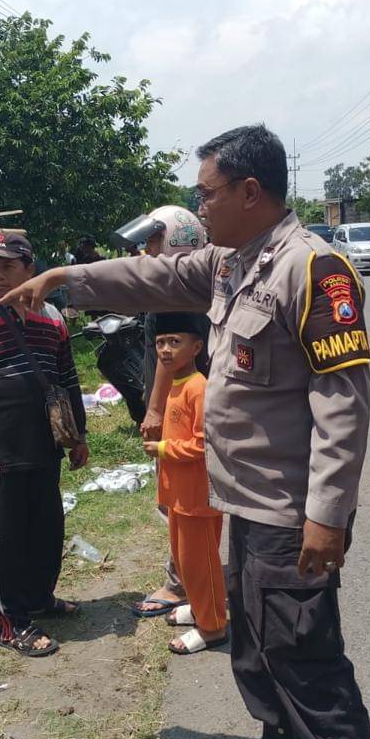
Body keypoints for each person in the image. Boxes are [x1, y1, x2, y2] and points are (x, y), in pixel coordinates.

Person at [1, 125, 370, 739]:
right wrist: (65, 279)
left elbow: (343, 403)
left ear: (249, 191)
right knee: (255, 641)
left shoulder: (313, 269)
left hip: (289, 508)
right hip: (241, 499)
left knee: (302, 651)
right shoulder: (229, 262)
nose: (198, 207)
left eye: (206, 194)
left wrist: (327, 515)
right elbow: (147, 277)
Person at [0, 233, 89, 658]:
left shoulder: (53, 318)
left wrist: (77, 435)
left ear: (30, 269)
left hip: (44, 445)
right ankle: (11, 622)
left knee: (45, 529)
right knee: (4, 537)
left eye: (6, 266)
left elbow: (67, 379)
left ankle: (40, 597)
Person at [115, 206, 211, 619]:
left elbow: (171, 364)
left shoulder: (180, 291)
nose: (145, 250)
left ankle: (183, 585)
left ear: (175, 240)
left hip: (183, 405)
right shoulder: (182, 282)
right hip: (182, 401)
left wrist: (153, 410)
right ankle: (193, 579)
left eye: (153, 242)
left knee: (182, 501)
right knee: (177, 500)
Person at [140, 313, 227, 655]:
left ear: (196, 347)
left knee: (201, 563)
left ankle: (214, 627)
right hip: (177, 495)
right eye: (160, 343)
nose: (165, 350)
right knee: (183, 559)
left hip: (197, 499)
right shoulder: (176, 385)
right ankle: (200, 609)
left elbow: (205, 444)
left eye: (174, 342)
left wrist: (162, 447)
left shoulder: (199, 388)